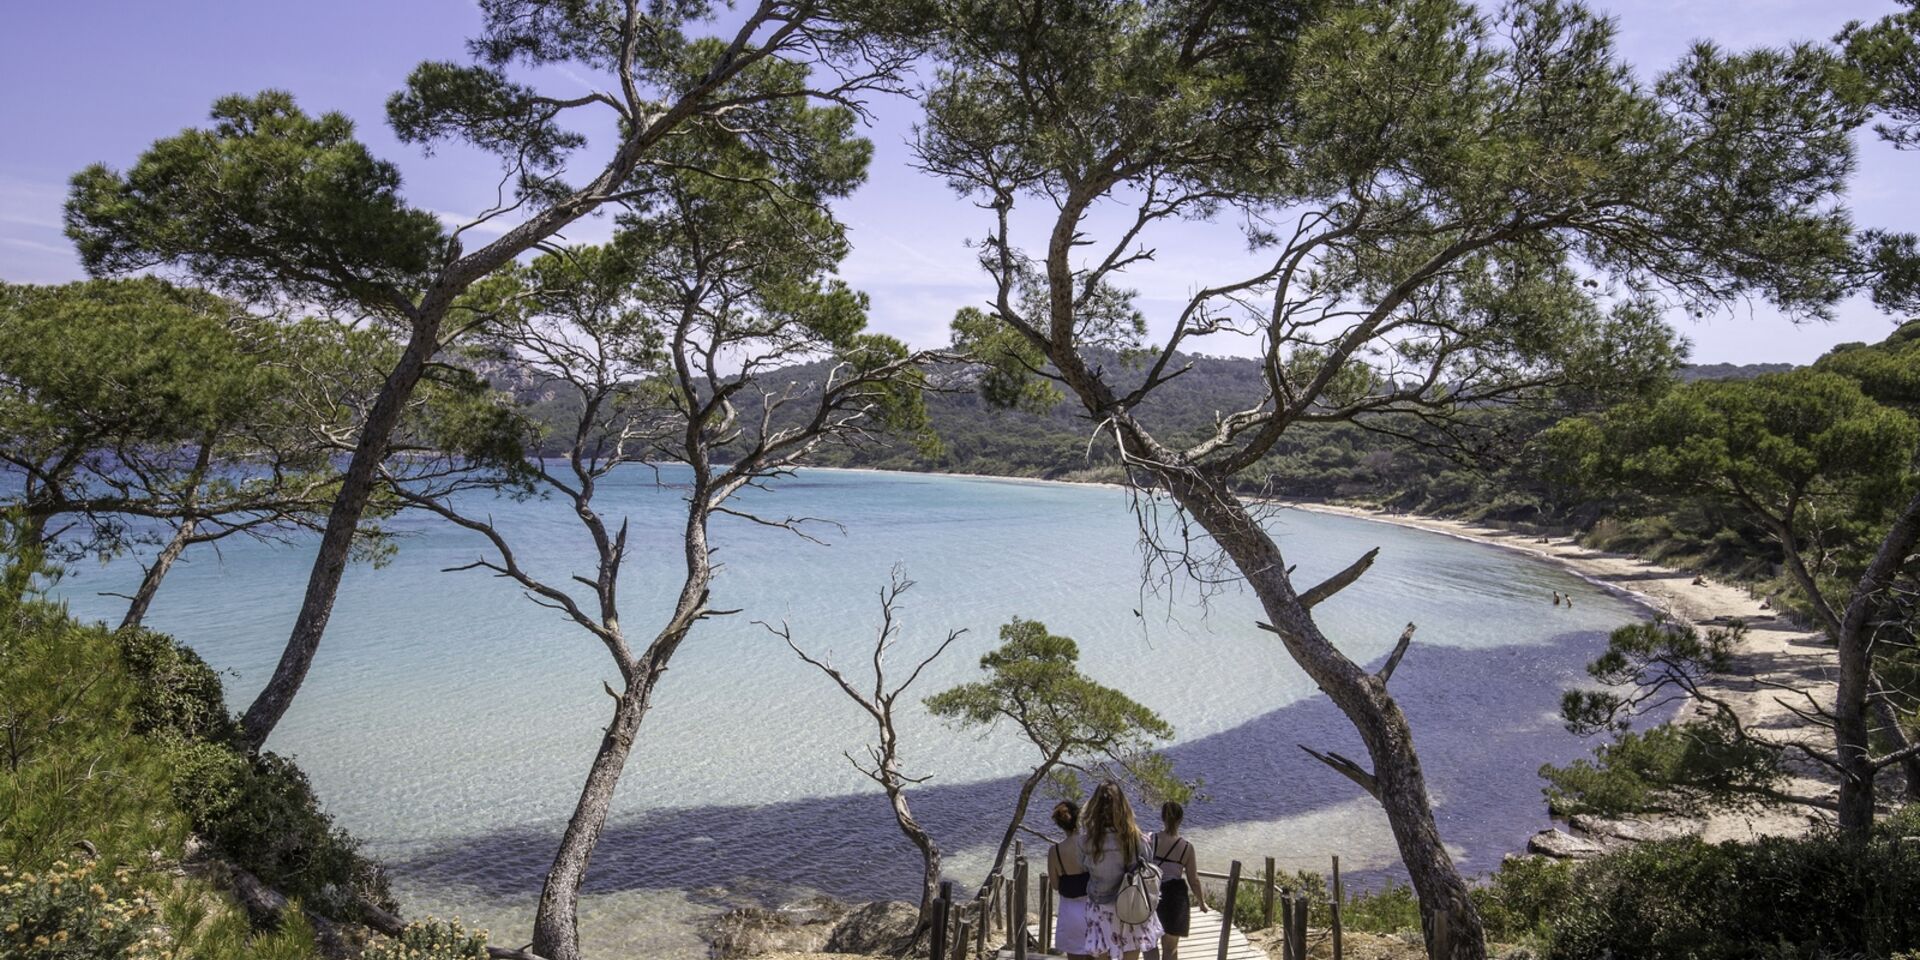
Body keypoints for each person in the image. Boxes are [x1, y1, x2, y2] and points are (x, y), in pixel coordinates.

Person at [1081, 781, 1163, 960]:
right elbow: (1148, 862)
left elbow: (1083, 866)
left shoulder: (1087, 841)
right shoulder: (1134, 837)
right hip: (1131, 905)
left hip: (1100, 906)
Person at [1149, 801, 1209, 960]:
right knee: (1170, 948)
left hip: (1152, 895)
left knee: (1150, 944)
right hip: (1175, 898)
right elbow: (1193, 879)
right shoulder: (1187, 847)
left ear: (1162, 818)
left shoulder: (1151, 840)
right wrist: (1201, 902)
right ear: (1180, 820)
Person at [1049, 799, 1092, 960]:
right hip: (1093, 907)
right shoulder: (1090, 843)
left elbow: (1054, 885)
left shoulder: (1055, 851)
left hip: (1069, 911)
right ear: (1078, 818)